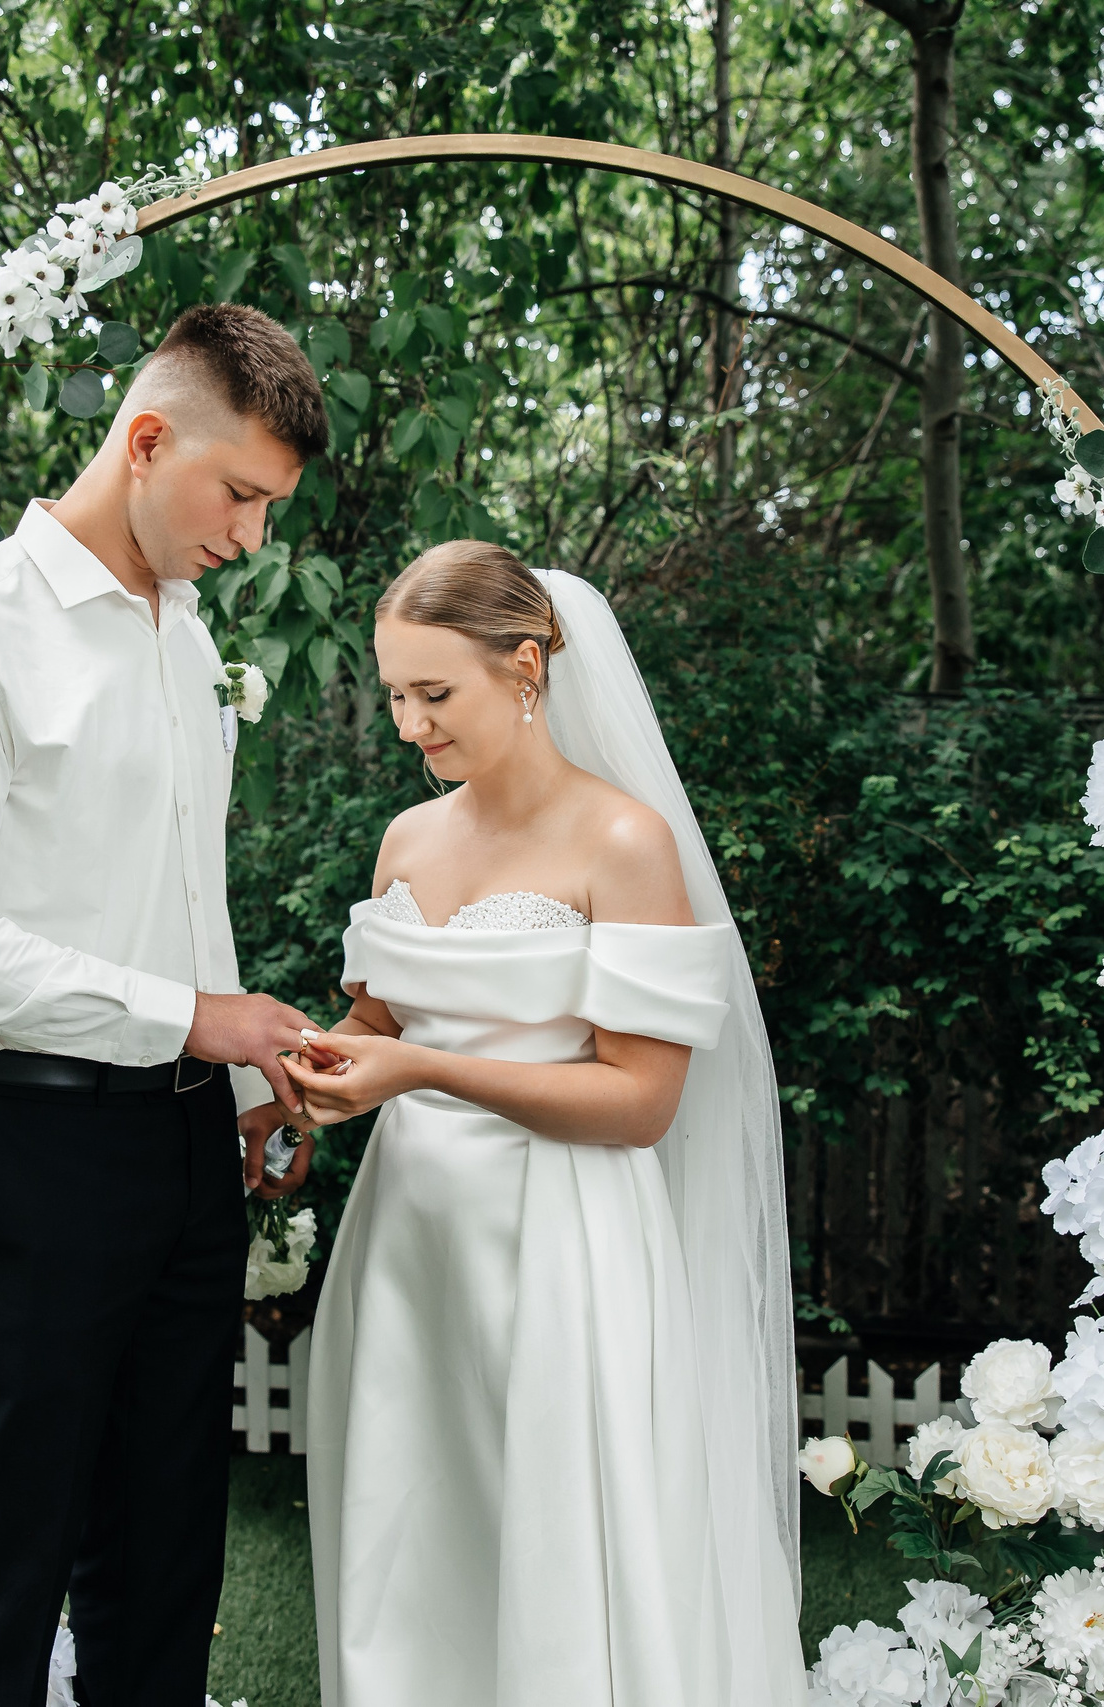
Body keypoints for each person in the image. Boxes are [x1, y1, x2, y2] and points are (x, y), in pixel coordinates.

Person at [0, 303, 326, 1707]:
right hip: (23, 1141)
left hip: (184, 1151)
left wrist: (239, 1090)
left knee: (168, 1548)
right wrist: (196, 1018)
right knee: (9, 1548)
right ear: (145, 437)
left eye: (269, 509)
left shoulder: (188, 642)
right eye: (237, 494)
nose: (248, 536)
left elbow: (190, 885)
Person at [287, 542, 807, 1707]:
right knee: (411, 1541)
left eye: (436, 694)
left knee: (559, 1537)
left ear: (525, 668)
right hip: (412, 1240)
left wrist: (416, 1066)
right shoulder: (408, 842)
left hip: (561, 1242)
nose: (410, 726)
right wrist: (307, 1069)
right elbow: (377, 1014)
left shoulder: (622, 842)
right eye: (394, 695)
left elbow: (639, 1102)